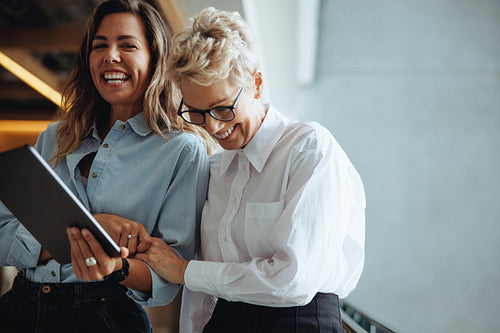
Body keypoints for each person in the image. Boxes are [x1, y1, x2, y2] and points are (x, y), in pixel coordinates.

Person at [133, 7, 366, 333]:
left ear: (256, 83)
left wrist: (185, 270)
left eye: (222, 108)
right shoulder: (215, 168)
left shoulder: (308, 148)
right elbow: (205, 293)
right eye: (196, 113)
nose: (213, 126)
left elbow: (293, 279)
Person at [0, 0, 210, 332]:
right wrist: (79, 237)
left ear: (156, 59)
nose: (110, 55)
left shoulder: (182, 151)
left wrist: (115, 266)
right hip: (19, 307)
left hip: (104, 316)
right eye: (100, 46)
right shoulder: (56, 136)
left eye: (127, 45)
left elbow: (168, 277)